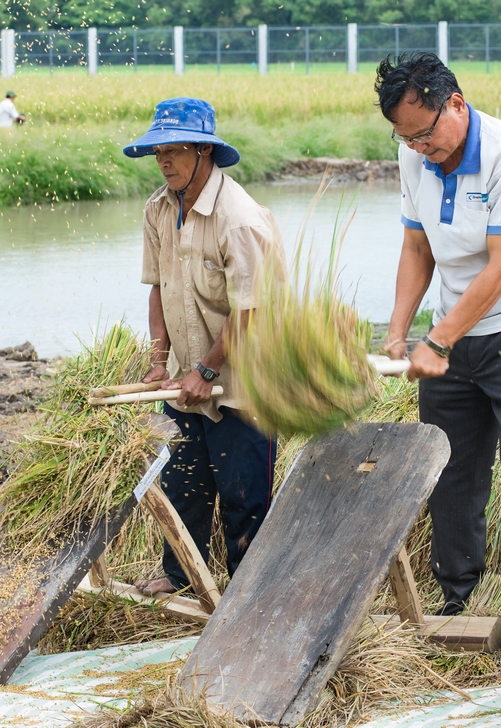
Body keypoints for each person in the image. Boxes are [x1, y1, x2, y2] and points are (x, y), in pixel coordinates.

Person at [375, 52, 501, 688]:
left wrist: (437, 340)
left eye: (426, 132)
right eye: (405, 137)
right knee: (451, 473)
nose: (419, 147)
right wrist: (399, 331)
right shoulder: (415, 155)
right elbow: (416, 246)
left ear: (455, 103)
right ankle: (454, 599)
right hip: (453, 335)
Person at [122, 97, 284, 597]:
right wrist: (157, 361)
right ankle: (182, 576)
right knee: (183, 485)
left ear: (204, 152)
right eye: (158, 153)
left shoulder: (239, 220)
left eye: (174, 151)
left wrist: (207, 372)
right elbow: (158, 286)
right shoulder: (158, 209)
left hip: (242, 382)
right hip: (184, 379)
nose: (164, 162)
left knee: (243, 495)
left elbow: (251, 313)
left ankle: (248, 592)